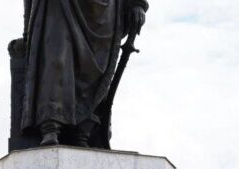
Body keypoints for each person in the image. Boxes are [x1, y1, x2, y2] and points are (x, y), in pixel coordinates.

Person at [21, 0, 148, 147]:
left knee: (98, 68)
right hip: (58, 6)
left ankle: (83, 132)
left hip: (103, 11)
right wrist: (27, 31)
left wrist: (137, 4)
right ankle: (51, 126)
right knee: (56, 58)